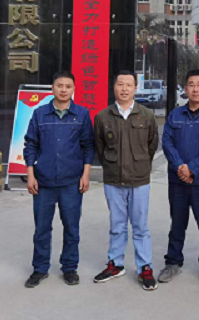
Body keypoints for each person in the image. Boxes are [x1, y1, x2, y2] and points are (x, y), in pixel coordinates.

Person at [23, 71, 95, 288]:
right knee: (42, 228)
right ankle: (40, 268)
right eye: (59, 85)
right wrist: (30, 175)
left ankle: (70, 267)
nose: (63, 90)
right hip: (43, 181)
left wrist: (86, 174)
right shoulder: (39, 114)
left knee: (72, 228)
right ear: (52, 88)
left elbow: (88, 146)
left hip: (71, 181)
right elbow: (30, 145)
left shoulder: (81, 114)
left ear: (73, 89)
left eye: (68, 86)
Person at [93, 71, 159, 291]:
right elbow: (100, 148)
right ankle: (116, 264)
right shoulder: (103, 117)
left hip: (140, 180)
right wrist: (112, 165)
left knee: (140, 227)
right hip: (113, 180)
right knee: (117, 225)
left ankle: (145, 267)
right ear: (114, 87)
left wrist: (141, 165)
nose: (124, 89)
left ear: (135, 87)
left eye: (128, 85)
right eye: (120, 84)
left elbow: (152, 145)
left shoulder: (147, 115)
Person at [159, 69, 199, 287]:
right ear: (185, 89)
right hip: (177, 181)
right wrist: (180, 167)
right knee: (177, 225)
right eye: (191, 84)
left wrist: (192, 169)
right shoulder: (175, 115)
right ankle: (173, 262)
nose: (195, 89)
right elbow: (167, 143)